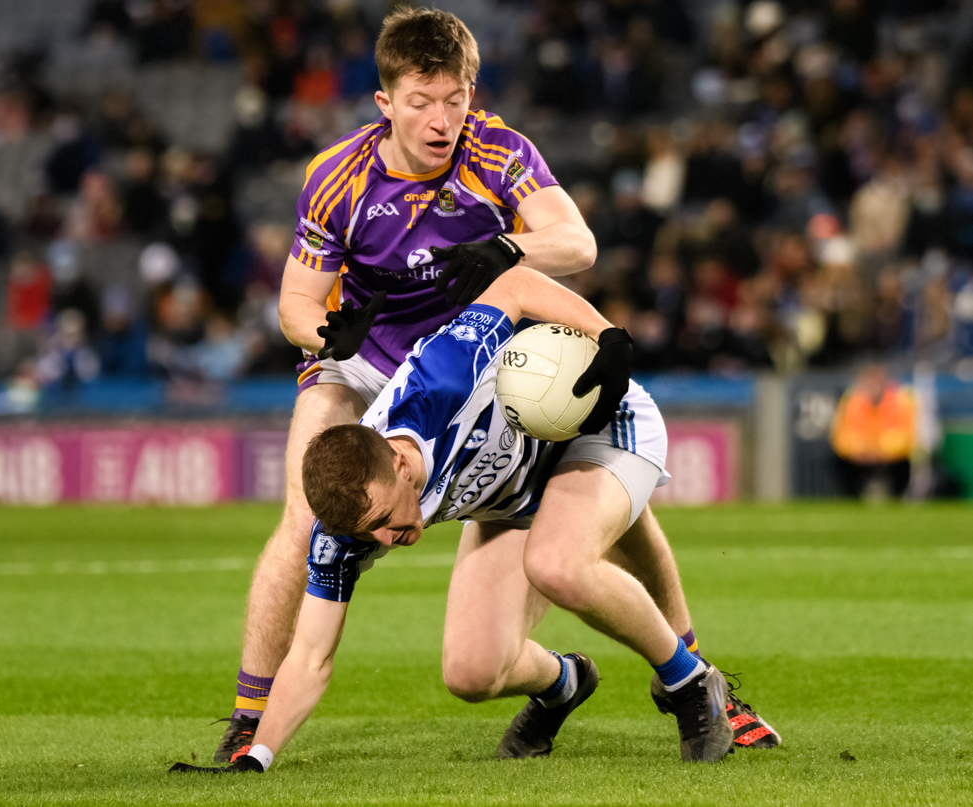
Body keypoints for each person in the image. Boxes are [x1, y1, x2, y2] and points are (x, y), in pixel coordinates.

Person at [172, 266, 779, 775]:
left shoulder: (443, 377)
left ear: (402, 464)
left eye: (386, 519)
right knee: (470, 673)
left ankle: (691, 683)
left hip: (599, 424)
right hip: (511, 495)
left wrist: (609, 335)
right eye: (370, 535)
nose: (386, 540)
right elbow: (309, 656)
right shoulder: (346, 531)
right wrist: (259, 757)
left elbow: (512, 285)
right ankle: (564, 684)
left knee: (557, 564)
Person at [211, 5, 598, 761]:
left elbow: (576, 242)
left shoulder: (498, 153)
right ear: (385, 102)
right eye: (421, 102)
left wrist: (503, 246)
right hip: (360, 355)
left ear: (471, 95)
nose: (440, 118)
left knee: (600, 462)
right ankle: (249, 717)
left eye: (454, 99)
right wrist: (324, 334)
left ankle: (688, 668)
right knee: (302, 515)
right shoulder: (337, 178)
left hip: (462, 359)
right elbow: (293, 301)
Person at [829, 363, 916, 499]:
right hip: (860, 457)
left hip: (891, 458)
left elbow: (909, 436)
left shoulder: (901, 400)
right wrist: (861, 450)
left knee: (904, 464)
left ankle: (897, 497)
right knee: (838, 462)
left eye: (877, 380)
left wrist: (881, 451)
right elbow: (841, 437)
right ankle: (850, 499)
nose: (873, 385)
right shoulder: (851, 401)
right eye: (869, 381)